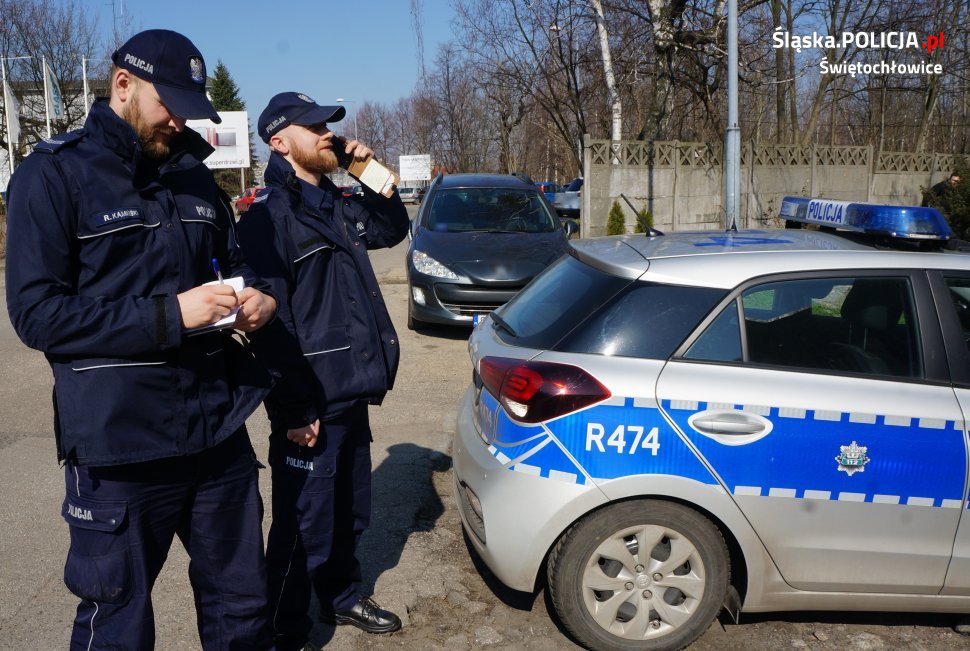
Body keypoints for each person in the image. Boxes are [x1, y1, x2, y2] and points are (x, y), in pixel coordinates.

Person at [4, 30, 279, 650]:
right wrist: (169, 317)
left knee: (243, 607)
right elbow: (37, 315)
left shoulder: (195, 179)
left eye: (189, 105)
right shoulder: (54, 176)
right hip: (119, 447)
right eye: (170, 103)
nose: (179, 119)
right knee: (117, 623)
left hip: (216, 434)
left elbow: (239, 265)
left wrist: (260, 296)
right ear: (122, 84)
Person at [237, 92, 409, 651]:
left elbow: (391, 230)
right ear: (279, 141)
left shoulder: (337, 200)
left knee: (348, 510)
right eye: (314, 127)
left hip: (350, 389)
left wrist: (370, 172)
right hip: (307, 399)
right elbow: (269, 322)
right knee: (298, 526)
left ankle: (341, 594)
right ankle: (283, 629)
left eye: (328, 125)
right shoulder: (267, 217)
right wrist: (294, 407)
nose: (327, 134)